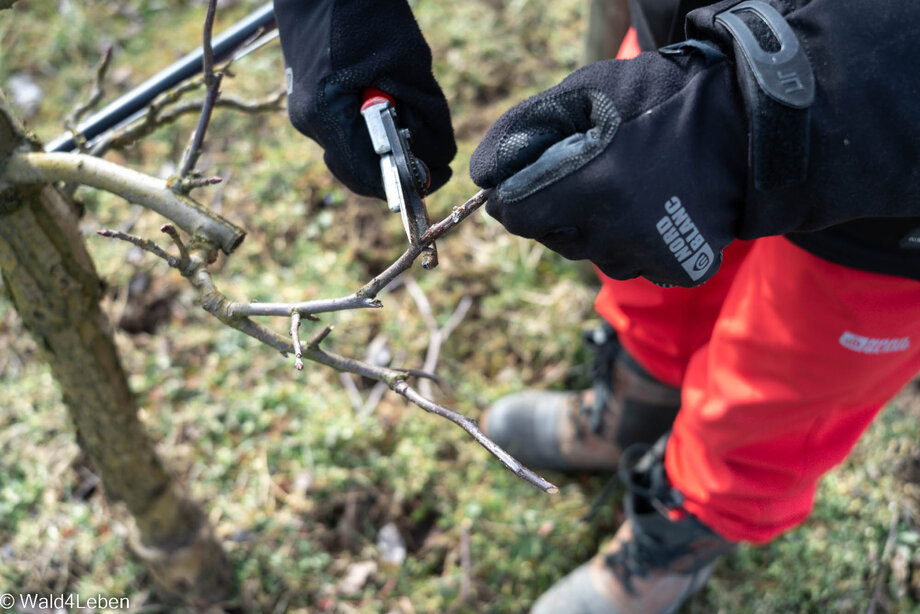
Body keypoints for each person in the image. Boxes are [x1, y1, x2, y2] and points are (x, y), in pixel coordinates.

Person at [273, 0, 920, 611]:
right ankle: (638, 404)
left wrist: (750, 110)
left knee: (785, 384)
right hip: (682, 45)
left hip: (891, 175)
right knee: (654, 265)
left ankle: (690, 526)